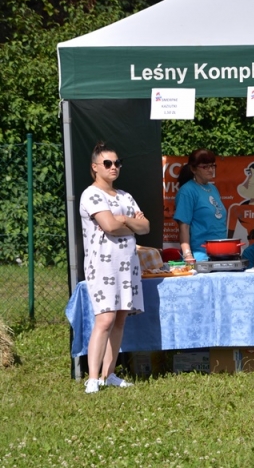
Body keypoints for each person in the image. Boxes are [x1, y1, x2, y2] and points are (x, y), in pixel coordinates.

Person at [79, 142, 150, 394]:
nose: (114, 167)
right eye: (108, 163)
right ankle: (92, 378)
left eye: (117, 163)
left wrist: (123, 219)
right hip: (103, 264)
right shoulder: (91, 194)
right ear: (95, 167)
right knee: (105, 319)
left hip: (126, 264)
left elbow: (146, 227)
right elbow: (109, 226)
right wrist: (128, 224)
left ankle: (109, 375)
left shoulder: (125, 196)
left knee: (120, 318)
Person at [174, 149, 228, 262]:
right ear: (193, 169)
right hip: (200, 256)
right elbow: (184, 226)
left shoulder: (213, 189)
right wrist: (188, 255)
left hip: (221, 254)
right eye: (205, 167)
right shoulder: (187, 191)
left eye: (212, 166)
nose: (210, 170)